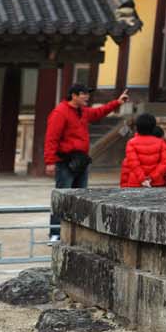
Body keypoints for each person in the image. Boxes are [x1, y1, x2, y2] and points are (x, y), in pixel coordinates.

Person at [44, 83, 129, 239]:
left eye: (87, 94)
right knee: (62, 197)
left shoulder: (82, 111)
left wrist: (117, 102)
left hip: (81, 161)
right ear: (74, 95)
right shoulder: (60, 112)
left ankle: (76, 232)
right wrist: (50, 161)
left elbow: (98, 112)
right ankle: (55, 233)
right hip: (65, 161)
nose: (87, 97)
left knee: (81, 197)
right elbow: (51, 138)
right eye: (84, 94)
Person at [120, 112, 166, 189]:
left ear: (137, 127)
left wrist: (142, 179)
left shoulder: (131, 143)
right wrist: (151, 178)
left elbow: (133, 163)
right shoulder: (161, 142)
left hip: (135, 183)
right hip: (156, 182)